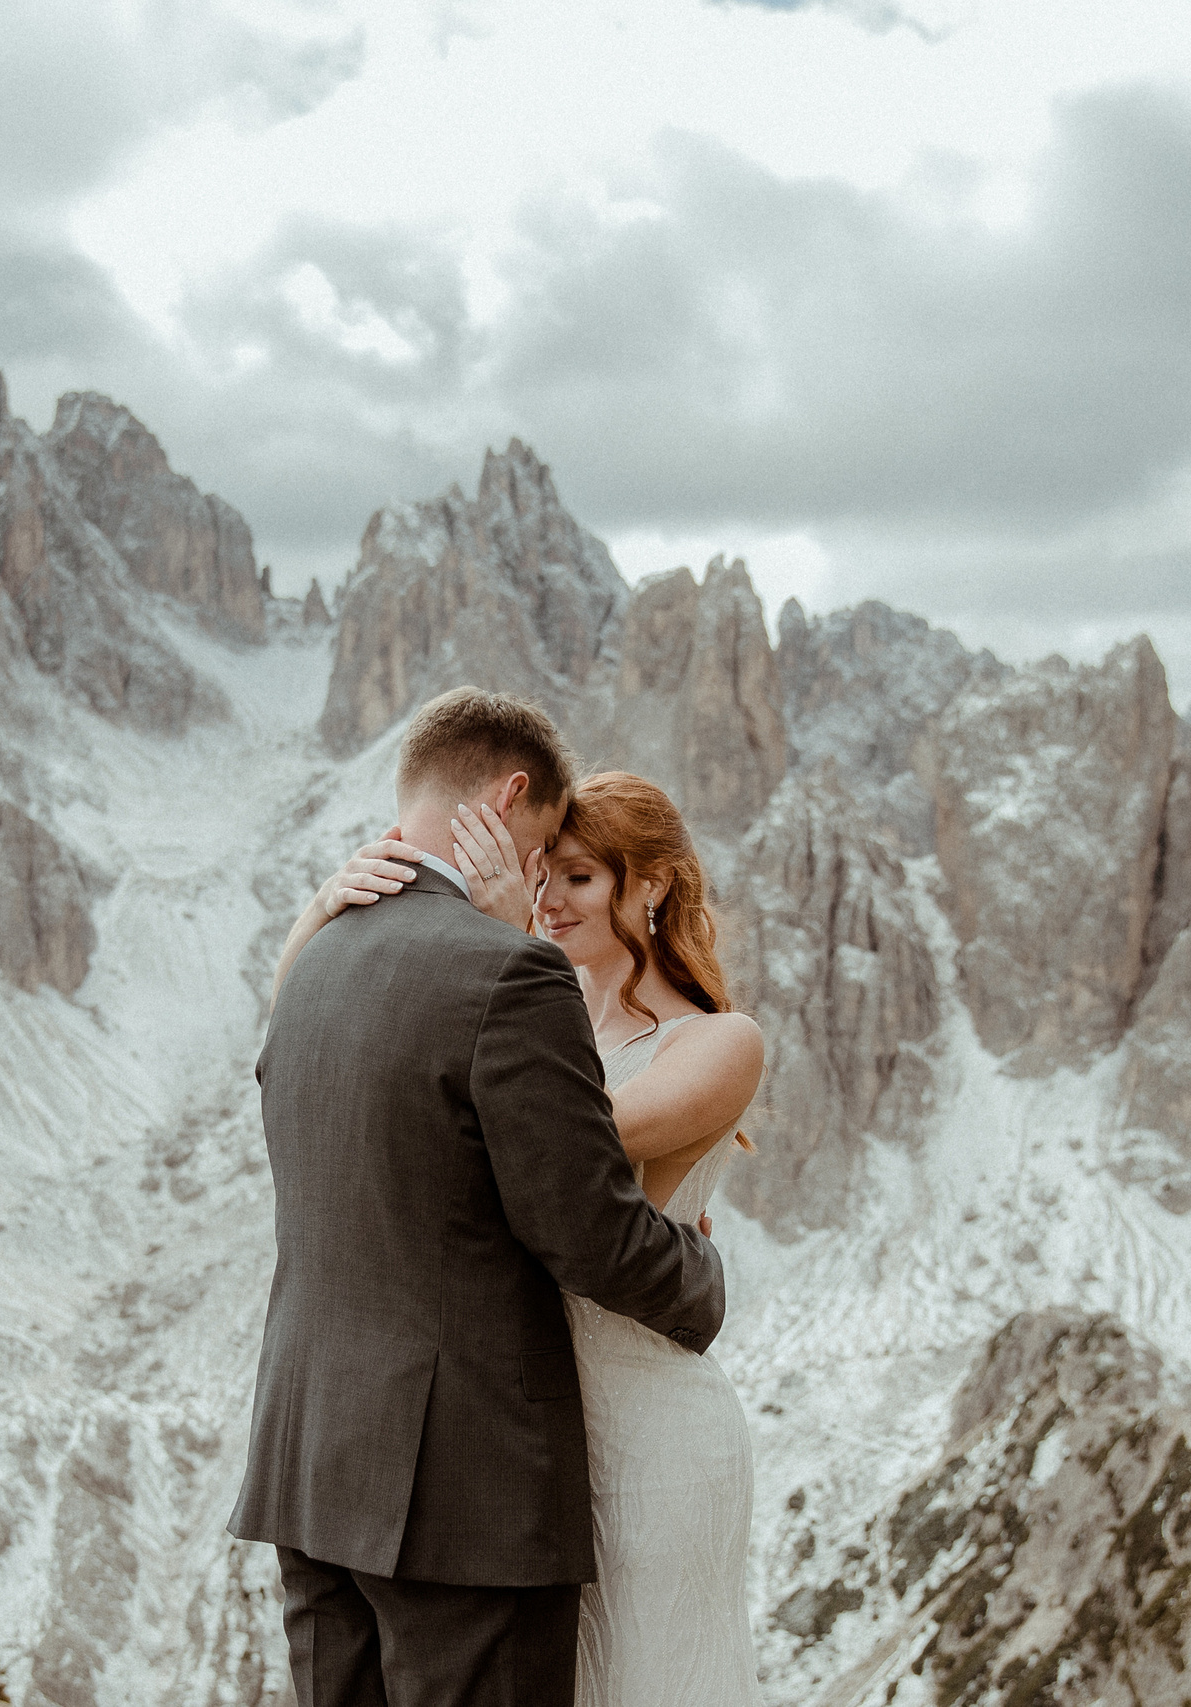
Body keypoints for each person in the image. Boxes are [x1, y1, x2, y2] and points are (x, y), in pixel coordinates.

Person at [231, 688, 727, 1707]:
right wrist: (703, 1279)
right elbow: (581, 1226)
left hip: (310, 1467)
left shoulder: (313, 956)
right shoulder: (513, 976)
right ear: (509, 799)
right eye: (545, 846)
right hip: (463, 1500)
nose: (540, 882)